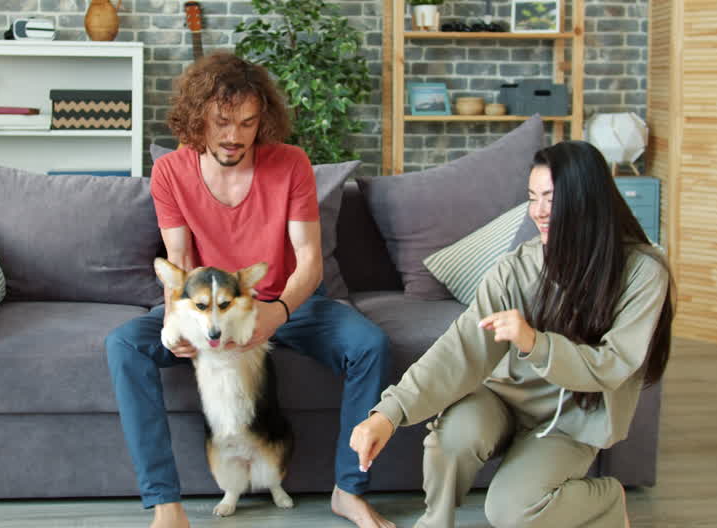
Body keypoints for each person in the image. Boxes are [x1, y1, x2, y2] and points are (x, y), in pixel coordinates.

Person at [106, 52, 396, 528]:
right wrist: (173, 322)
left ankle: (349, 491)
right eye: (222, 122)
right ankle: (166, 506)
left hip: (288, 305)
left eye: (246, 122)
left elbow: (309, 260)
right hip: (208, 310)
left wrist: (276, 313)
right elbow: (178, 262)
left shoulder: (291, 163)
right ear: (198, 116)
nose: (234, 136)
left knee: (370, 345)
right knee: (123, 345)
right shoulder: (171, 172)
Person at [349, 140, 674, 528]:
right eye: (532, 197)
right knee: (451, 438)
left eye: (551, 198)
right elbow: (460, 348)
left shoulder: (643, 272)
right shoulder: (517, 268)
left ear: (587, 200)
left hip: (571, 418)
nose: (538, 212)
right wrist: (388, 414)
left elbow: (613, 365)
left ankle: (605, 501)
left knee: (510, 512)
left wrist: (534, 342)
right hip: (501, 399)